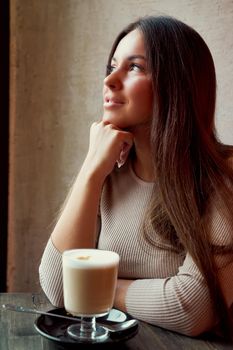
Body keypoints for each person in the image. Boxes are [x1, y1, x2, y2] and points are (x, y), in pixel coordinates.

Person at [39, 15, 233, 339]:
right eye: (111, 66)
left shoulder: (224, 175)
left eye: (134, 68)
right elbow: (59, 287)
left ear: (177, 82)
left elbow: (192, 307)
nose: (110, 80)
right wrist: (90, 170)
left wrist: (95, 288)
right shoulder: (105, 169)